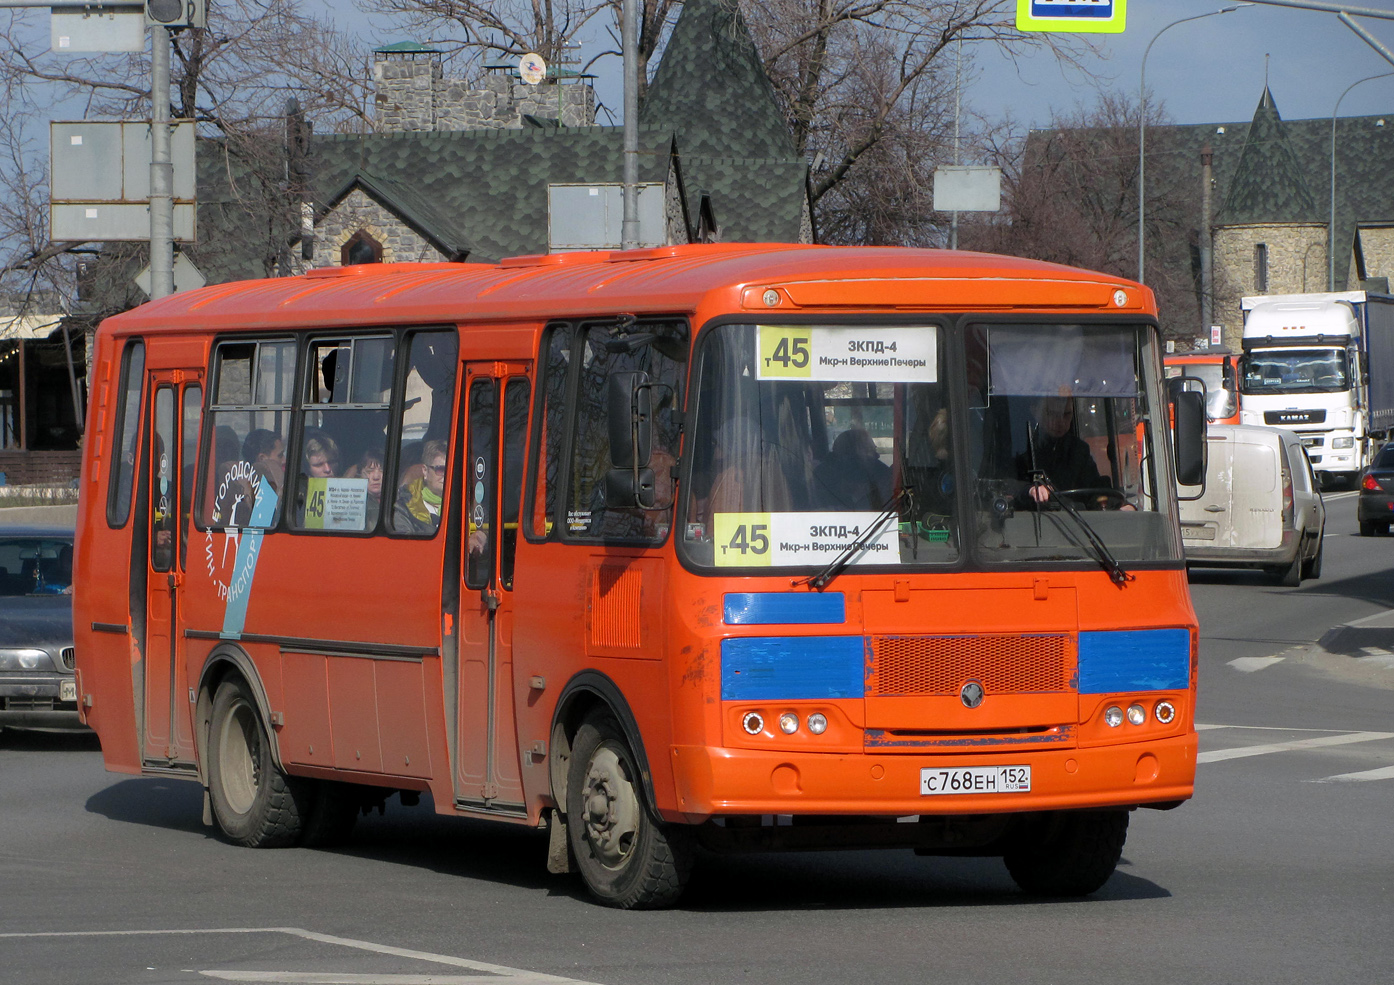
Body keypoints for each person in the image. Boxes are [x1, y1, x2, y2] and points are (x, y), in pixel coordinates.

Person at [1015, 394, 1116, 508]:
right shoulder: (1020, 446)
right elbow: (1006, 484)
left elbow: (1095, 488)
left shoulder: (1078, 450)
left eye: (1066, 414)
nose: (1060, 422)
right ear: (1035, 411)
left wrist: (1117, 503)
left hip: (1075, 522)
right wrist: (1030, 490)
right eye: (1053, 414)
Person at [813, 426, 893, 510]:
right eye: (869, 450)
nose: (877, 455)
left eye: (875, 449)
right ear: (851, 456)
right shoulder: (821, 482)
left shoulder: (882, 474)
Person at [395, 439, 447, 534]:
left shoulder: (470, 504)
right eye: (440, 469)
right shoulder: (403, 508)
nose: (447, 474)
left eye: (452, 469)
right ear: (425, 471)